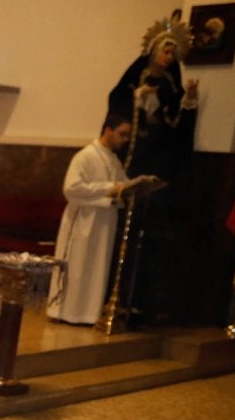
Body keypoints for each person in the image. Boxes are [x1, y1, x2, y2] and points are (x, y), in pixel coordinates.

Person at [107, 16, 200, 326]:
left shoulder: (171, 87)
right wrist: (137, 100)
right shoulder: (135, 79)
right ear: (153, 49)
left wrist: (189, 104)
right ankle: (114, 298)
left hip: (157, 166)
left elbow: (175, 129)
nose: (169, 55)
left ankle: (142, 302)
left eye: (174, 52)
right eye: (165, 49)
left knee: (151, 240)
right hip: (133, 163)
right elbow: (117, 106)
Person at [46, 113, 158, 325]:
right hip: (83, 220)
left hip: (105, 221)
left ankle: (87, 314)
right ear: (107, 130)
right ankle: (64, 312)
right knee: (77, 268)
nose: (125, 139)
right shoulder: (85, 156)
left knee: (96, 269)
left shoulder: (112, 159)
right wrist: (110, 189)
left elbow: (123, 185)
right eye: (122, 134)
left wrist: (139, 184)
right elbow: (71, 188)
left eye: (127, 135)